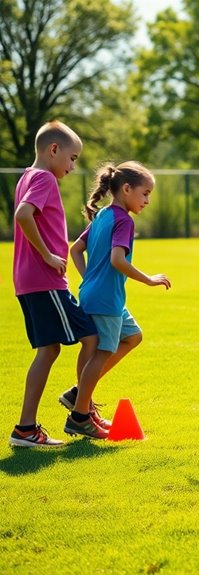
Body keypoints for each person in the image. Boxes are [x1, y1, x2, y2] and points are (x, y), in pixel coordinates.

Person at [59, 161, 172, 439]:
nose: (147, 200)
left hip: (99, 296)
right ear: (126, 189)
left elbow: (76, 250)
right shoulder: (123, 220)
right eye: (145, 193)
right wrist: (149, 279)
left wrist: (90, 279)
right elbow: (117, 260)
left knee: (133, 336)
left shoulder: (102, 216)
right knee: (102, 352)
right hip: (106, 299)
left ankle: (79, 394)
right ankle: (80, 416)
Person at [9, 121, 99, 447]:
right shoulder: (44, 178)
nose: (73, 167)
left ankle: (25, 429)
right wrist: (48, 255)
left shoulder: (26, 177)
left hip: (26, 281)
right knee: (91, 336)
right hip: (45, 280)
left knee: (48, 349)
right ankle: (81, 412)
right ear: (53, 150)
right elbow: (22, 215)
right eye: (72, 158)